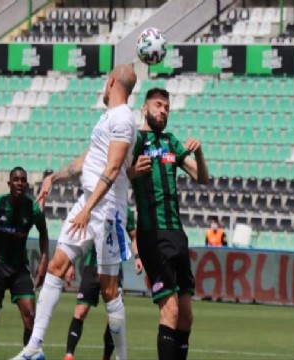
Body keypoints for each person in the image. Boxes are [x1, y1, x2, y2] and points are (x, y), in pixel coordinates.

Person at [11, 64, 138, 360]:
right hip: (87, 202)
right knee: (56, 265)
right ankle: (34, 347)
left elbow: (115, 167)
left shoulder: (123, 119)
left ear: (110, 82)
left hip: (107, 212)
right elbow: (89, 159)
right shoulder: (107, 118)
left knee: (108, 290)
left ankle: (122, 358)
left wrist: (89, 209)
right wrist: (53, 177)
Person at [128, 88, 209, 360]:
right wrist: (131, 172)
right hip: (153, 234)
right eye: (158, 105)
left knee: (186, 316)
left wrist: (198, 154)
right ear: (145, 108)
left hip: (177, 234)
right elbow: (116, 172)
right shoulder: (136, 140)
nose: (163, 111)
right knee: (170, 311)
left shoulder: (171, 141)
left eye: (167, 107)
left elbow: (202, 178)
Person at [0, 167, 49, 360]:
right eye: (16, 179)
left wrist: (44, 260)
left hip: (19, 269)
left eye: (23, 180)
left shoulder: (33, 210)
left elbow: (44, 234)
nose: (20, 183)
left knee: (31, 316)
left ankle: (29, 357)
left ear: (26, 185)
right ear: (9, 183)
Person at [63, 207, 143, 360]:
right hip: (92, 267)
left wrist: (137, 257)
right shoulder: (95, 203)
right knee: (80, 311)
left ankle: (106, 357)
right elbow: (79, 235)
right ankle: (69, 354)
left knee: (114, 319)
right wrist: (70, 263)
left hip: (114, 269)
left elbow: (133, 237)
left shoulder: (126, 210)